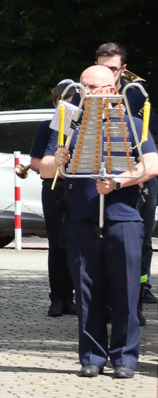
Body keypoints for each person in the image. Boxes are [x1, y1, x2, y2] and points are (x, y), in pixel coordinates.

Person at [41, 65, 157, 379]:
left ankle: (125, 358)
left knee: (127, 291)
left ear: (110, 90)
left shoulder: (132, 124)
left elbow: (151, 164)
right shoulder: (69, 124)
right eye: (83, 87)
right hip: (81, 219)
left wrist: (118, 183)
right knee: (88, 293)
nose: (86, 93)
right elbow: (46, 168)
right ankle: (92, 357)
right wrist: (59, 160)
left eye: (92, 87)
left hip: (123, 219)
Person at [94, 42, 158, 313]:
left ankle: (138, 297)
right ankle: (103, 301)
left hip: (138, 176)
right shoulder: (89, 91)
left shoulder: (136, 96)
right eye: (101, 67)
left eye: (112, 68)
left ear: (123, 69)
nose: (106, 74)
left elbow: (149, 137)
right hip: (98, 177)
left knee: (141, 236)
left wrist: (140, 170)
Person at [26, 81, 75, 317]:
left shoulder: (83, 128)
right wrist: (52, 162)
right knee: (57, 243)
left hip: (79, 186)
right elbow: (34, 161)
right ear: (56, 103)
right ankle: (57, 297)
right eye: (64, 102)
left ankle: (71, 296)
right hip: (54, 187)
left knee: (76, 243)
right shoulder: (47, 127)